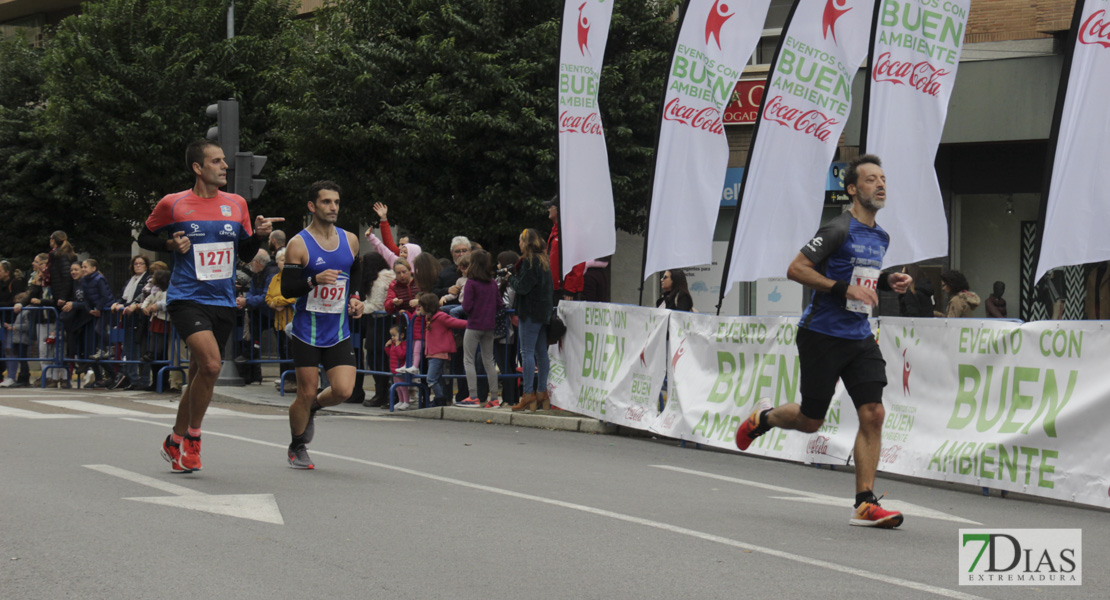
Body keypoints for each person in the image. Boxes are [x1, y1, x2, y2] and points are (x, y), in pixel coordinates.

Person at [735, 154, 912, 528]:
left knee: (873, 413)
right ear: (852, 189)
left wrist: (885, 281)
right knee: (810, 420)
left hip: (860, 338)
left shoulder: (881, 236)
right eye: (870, 180)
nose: (880, 185)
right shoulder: (837, 229)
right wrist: (843, 288)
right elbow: (796, 268)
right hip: (821, 335)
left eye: (883, 179)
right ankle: (764, 418)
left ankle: (864, 503)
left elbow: (859, 276)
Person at [138, 138, 281, 473]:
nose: (224, 166)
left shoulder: (236, 204)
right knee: (213, 366)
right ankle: (194, 438)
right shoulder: (173, 204)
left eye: (224, 161)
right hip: (187, 297)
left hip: (223, 299)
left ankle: (173, 440)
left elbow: (245, 253)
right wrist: (170, 244)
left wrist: (258, 235)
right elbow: (145, 238)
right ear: (198, 168)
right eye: (216, 161)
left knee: (200, 374)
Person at [279, 180, 364, 469]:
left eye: (336, 202)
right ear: (312, 206)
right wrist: (314, 279)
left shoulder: (350, 240)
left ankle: (315, 406)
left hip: (338, 330)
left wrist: (355, 297)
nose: (333, 207)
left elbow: (355, 271)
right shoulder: (299, 243)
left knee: (342, 390)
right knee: (305, 391)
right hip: (307, 331)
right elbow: (288, 288)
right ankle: (297, 445)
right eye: (327, 202)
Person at [510, 228, 554, 412]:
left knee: (526, 353)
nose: (519, 243)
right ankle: (542, 391)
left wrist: (510, 278)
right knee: (541, 353)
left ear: (526, 243)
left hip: (529, 312)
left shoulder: (529, 262)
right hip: (543, 312)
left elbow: (522, 288)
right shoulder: (544, 261)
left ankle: (528, 394)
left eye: (520, 240)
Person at [458, 249, 501, 408]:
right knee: (489, 361)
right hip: (489, 326)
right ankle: (494, 398)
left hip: (474, 325)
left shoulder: (471, 282)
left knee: (468, 360)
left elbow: (466, 306)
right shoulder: (493, 283)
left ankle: (473, 396)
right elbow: (499, 304)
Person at [416, 292, 467, 406]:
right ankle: (440, 397)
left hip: (439, 352)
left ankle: (440, 398)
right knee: (438, 378)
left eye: (422, 306)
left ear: (428, 307)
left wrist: (472, 323)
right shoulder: (429, 317)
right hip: (432, 352)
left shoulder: (441, 317)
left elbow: (456, 322)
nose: (420, 308)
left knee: (431, 379)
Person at [108, 255, 152, 390]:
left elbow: (144, 297)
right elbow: (123, 297)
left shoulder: (148, 280)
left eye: (141, 263)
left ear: (146, 265)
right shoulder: (130, 280)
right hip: (127, 318)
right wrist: (117, 303)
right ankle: (133, 379)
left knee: (142, 350)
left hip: (140, 319)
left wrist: (133, 305)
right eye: (136, 264)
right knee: (129, 349)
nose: (138, 266)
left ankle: (143, 380)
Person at [358, 252, 394, 407]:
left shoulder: (379, 281)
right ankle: (381, 392)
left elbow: (376, 305)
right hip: (381, 321)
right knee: (377, 358)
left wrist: (358, 308)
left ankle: (381, 393)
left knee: (377, 358)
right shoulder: (384, 278)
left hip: (380, 321)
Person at [265, 247, 296, 388]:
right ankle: (284, 378)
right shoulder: (275, 278)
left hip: (292, 320)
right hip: (278, 322)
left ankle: (293, 380)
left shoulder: (294, 277)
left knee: (291, 351)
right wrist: (274, 303)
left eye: (286, 260)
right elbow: (268, 297)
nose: (283, 263)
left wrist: (277, 301)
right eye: (281, 260)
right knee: (282, 352)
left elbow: (293, 296)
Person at [544, 196, 585, 301]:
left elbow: (578, 261)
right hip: (555, 288)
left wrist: (569, 289)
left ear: (558, 209)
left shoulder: (570, 231)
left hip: (564, 291)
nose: (548, 209)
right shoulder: (556, 230)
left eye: (551, 207)